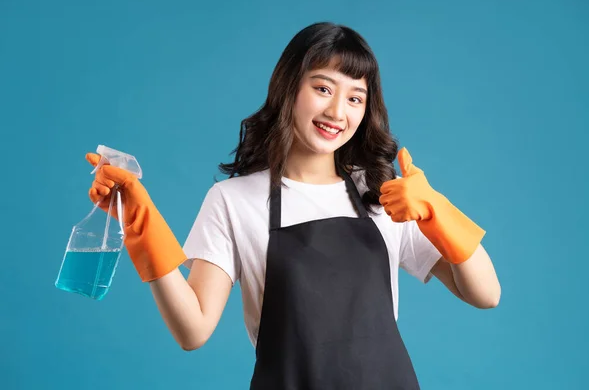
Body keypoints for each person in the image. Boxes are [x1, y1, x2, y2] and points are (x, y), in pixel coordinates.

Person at [86, 22, 501, 389]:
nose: (338, 111)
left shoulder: (384, 193)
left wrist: (438, 212)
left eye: (355, 97)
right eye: (323, 88)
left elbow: (485, 293)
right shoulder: (233, 201)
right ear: (289, 89)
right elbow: (192, 330)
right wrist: (141, 225)